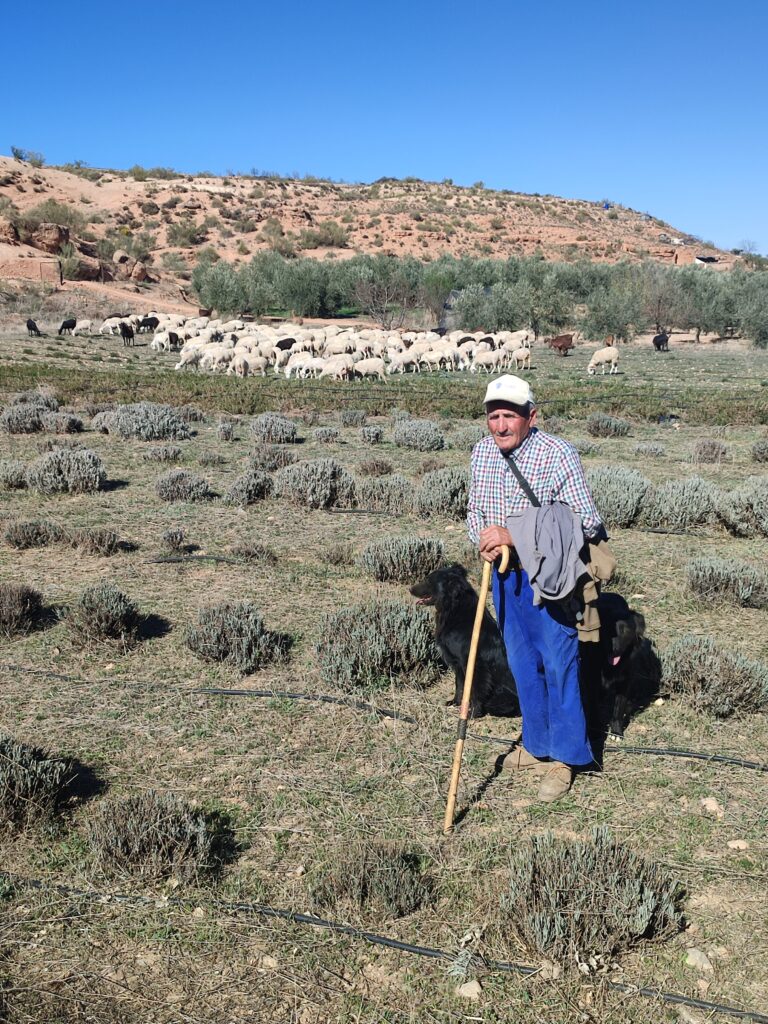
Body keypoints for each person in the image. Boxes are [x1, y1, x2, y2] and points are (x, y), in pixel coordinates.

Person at [466, 374, 605, 802]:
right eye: (494, 416)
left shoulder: (557, 454)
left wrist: (514, 534)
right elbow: (474, 510)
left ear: (532, 417)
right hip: (505, 578)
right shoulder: (482, 453)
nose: (500, 426)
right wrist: (485, 540)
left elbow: (583, 521)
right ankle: (537, 744)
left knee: (559, 663)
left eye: (510, 416)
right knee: (524, 663)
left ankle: (565, 757)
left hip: (551, 578)